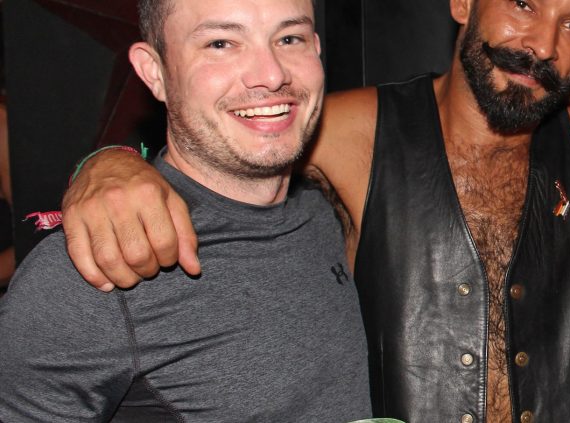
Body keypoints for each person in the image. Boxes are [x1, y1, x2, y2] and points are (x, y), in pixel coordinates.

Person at [59, 0, 570, 422]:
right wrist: (107, 164)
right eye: (523, 2)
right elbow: (222, 145)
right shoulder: (350, 131)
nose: (544, 46)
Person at [0, 0, 370, 420]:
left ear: (316, 49)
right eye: (220, 43)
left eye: (289, 38)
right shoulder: (99, 265)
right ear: (154, 72)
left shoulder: (332, 206)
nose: (271, 75)